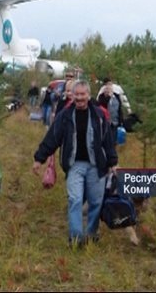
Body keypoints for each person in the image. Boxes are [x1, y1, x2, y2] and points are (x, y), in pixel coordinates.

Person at [32, 80, 118, 247]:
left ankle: (91, 234)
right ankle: (76, 238)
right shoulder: (65, 115)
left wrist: (113, 161)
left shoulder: (99, 115)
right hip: (74, 165)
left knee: (95, 202)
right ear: (72, 95)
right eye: (76, 94)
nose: (79, 98)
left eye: (82, 94)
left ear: (88, 95)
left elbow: (108, 141)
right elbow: (53, 137)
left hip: (96, 165)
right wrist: (39, 158)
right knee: (75, 199)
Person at [97, 80, 124, 147]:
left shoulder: (116, 96)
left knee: (114, 140)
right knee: (106, 139)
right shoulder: (101, 97)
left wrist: (121, 120)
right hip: (105, 122)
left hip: (115, 121)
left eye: (110, 85)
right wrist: (108, 96)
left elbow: (119, 108)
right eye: (107, 86)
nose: (109, 87)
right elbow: (102, 106)